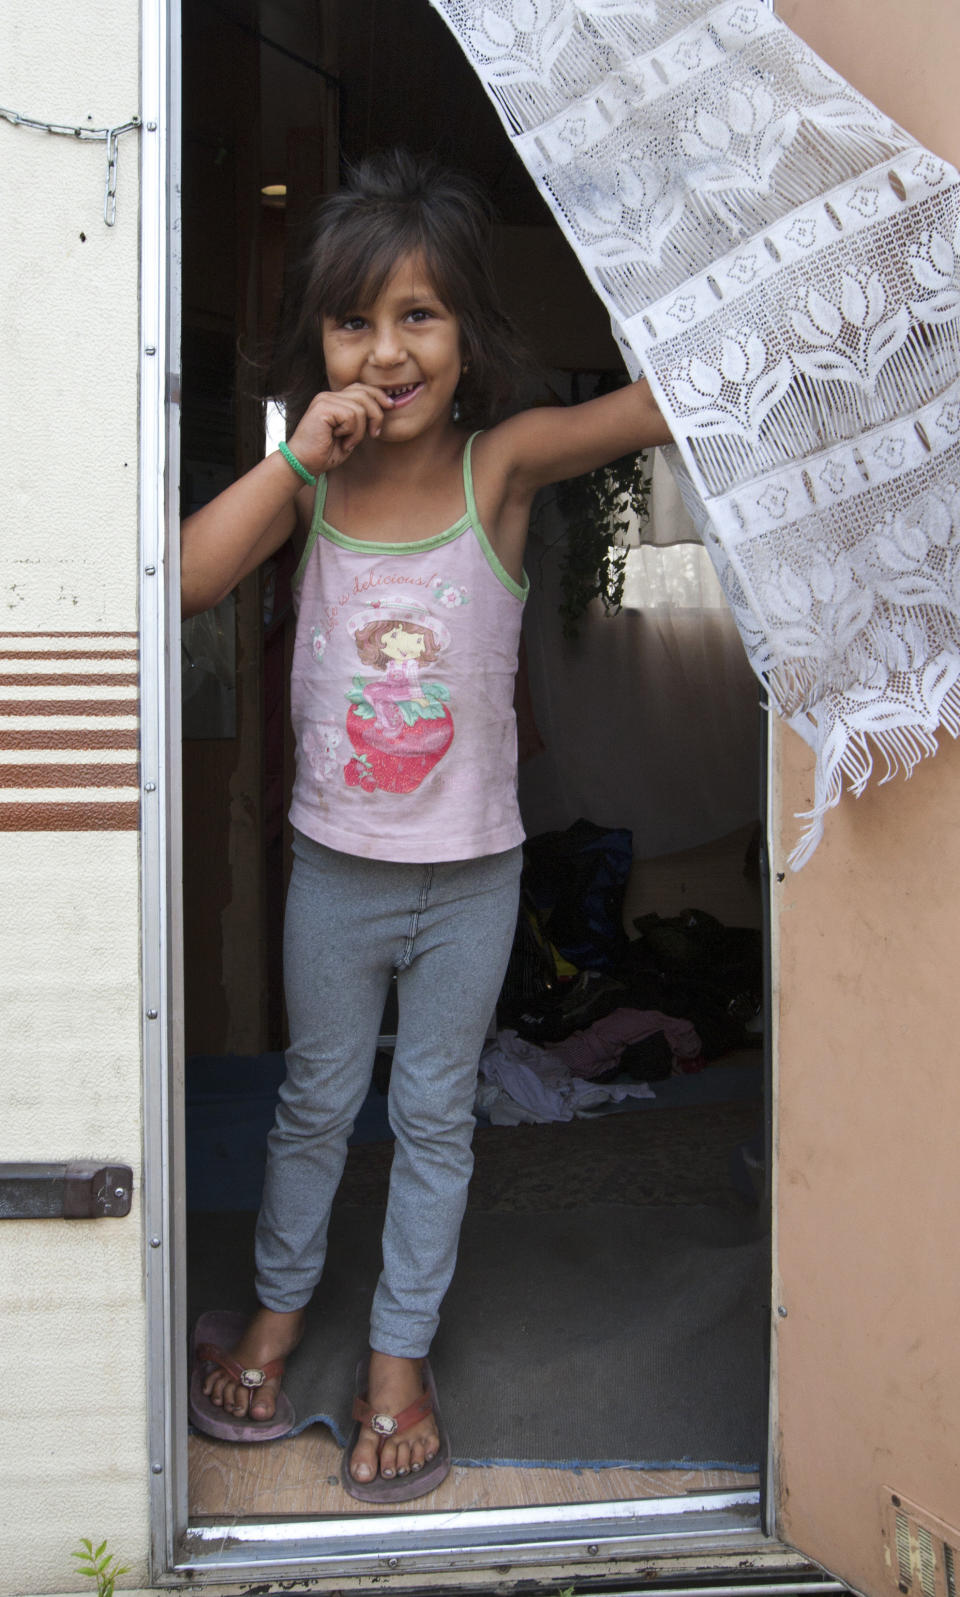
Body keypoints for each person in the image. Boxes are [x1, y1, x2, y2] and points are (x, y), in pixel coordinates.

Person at [182, 149, 671, 1502]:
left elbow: (661, 409)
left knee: (436, 1117)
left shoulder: (497, 470)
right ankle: (277, 1326)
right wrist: (294, 450)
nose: (387, 352)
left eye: (419, 317)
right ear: (320, 344)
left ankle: (398, 1360)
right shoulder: (319, 483)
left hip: (471, 882)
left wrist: (683, 252)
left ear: (468, 342)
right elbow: (189, 580)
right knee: (313, 1108)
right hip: (334, 875)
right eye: (355, 321)